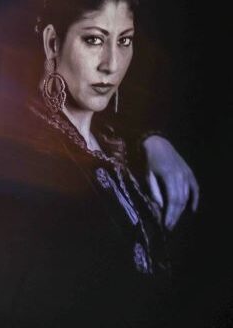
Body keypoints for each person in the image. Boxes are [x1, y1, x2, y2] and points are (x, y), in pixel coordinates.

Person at [30, 0, 196, 278]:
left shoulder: (119, 144)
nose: (112, 65)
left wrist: (152, 142)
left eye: (124, 41)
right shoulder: (34, 150)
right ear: (53, 43)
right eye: (94, 40)